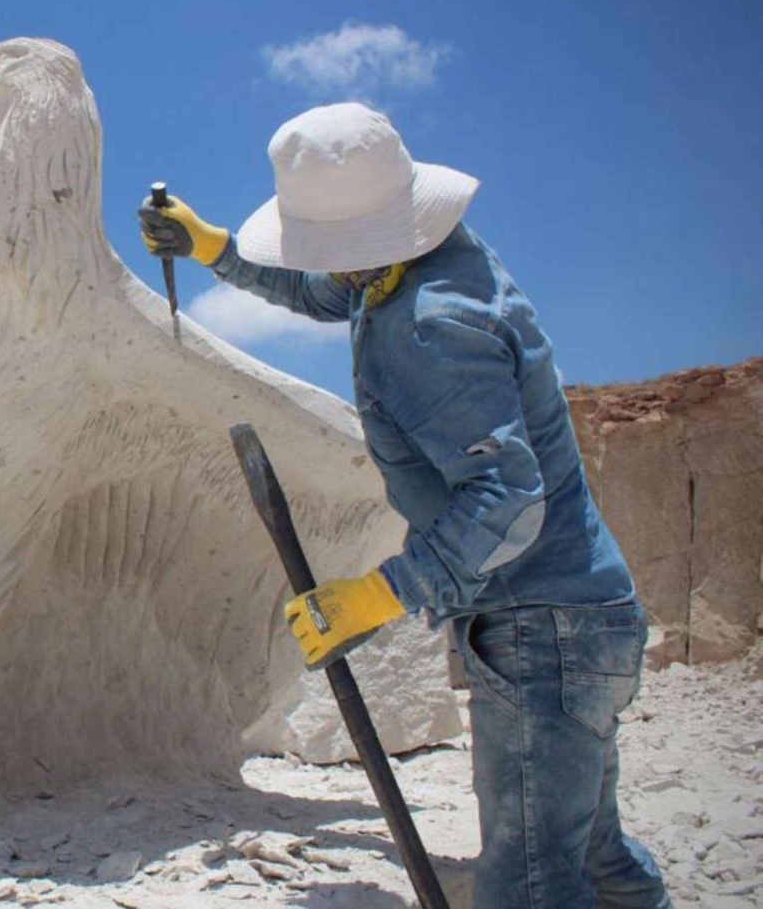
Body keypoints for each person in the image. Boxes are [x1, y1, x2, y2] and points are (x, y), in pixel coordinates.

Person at [139, 102, 670, 909]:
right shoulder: (430, 258)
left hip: (544, 631)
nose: (336, 268)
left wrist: (378, 594)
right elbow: (333, 291)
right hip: (581, 617)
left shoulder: (432, 327)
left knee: (529, 884)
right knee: (589, 854)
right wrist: (218, 249)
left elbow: (509, 494)